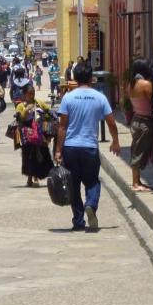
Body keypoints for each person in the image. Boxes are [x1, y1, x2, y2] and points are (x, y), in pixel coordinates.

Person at [54, 63, 121, 231]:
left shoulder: (68, 98)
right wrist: (115, 140)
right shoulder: (100, 97)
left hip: (70, 147)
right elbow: (111, 122)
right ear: (91, 78)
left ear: (74, 78)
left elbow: (62, 127)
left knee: (73, 185)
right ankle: (91, 204)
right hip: (90, 147)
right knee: (92, 182)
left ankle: (78, 221)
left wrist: (58, 150)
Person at [126, 58, 153, 192]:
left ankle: (137, 181)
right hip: (145, 121)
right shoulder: (145, 84)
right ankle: (136, 183)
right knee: (140, 152)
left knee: (136, 149)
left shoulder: (130, 85)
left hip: (136, 119)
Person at [15, 82, 53, 187]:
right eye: (29, 94)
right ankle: (29, 177)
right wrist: (27, 110)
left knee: (40, 155)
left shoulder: (39, 103)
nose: (31, 96)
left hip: (40, 134)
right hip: (27, 134)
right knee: (29, 156)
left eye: (33, 93)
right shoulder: (20, 106)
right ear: (24, 95)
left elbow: (49, 112)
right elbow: (20, 118)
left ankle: (36, 177)